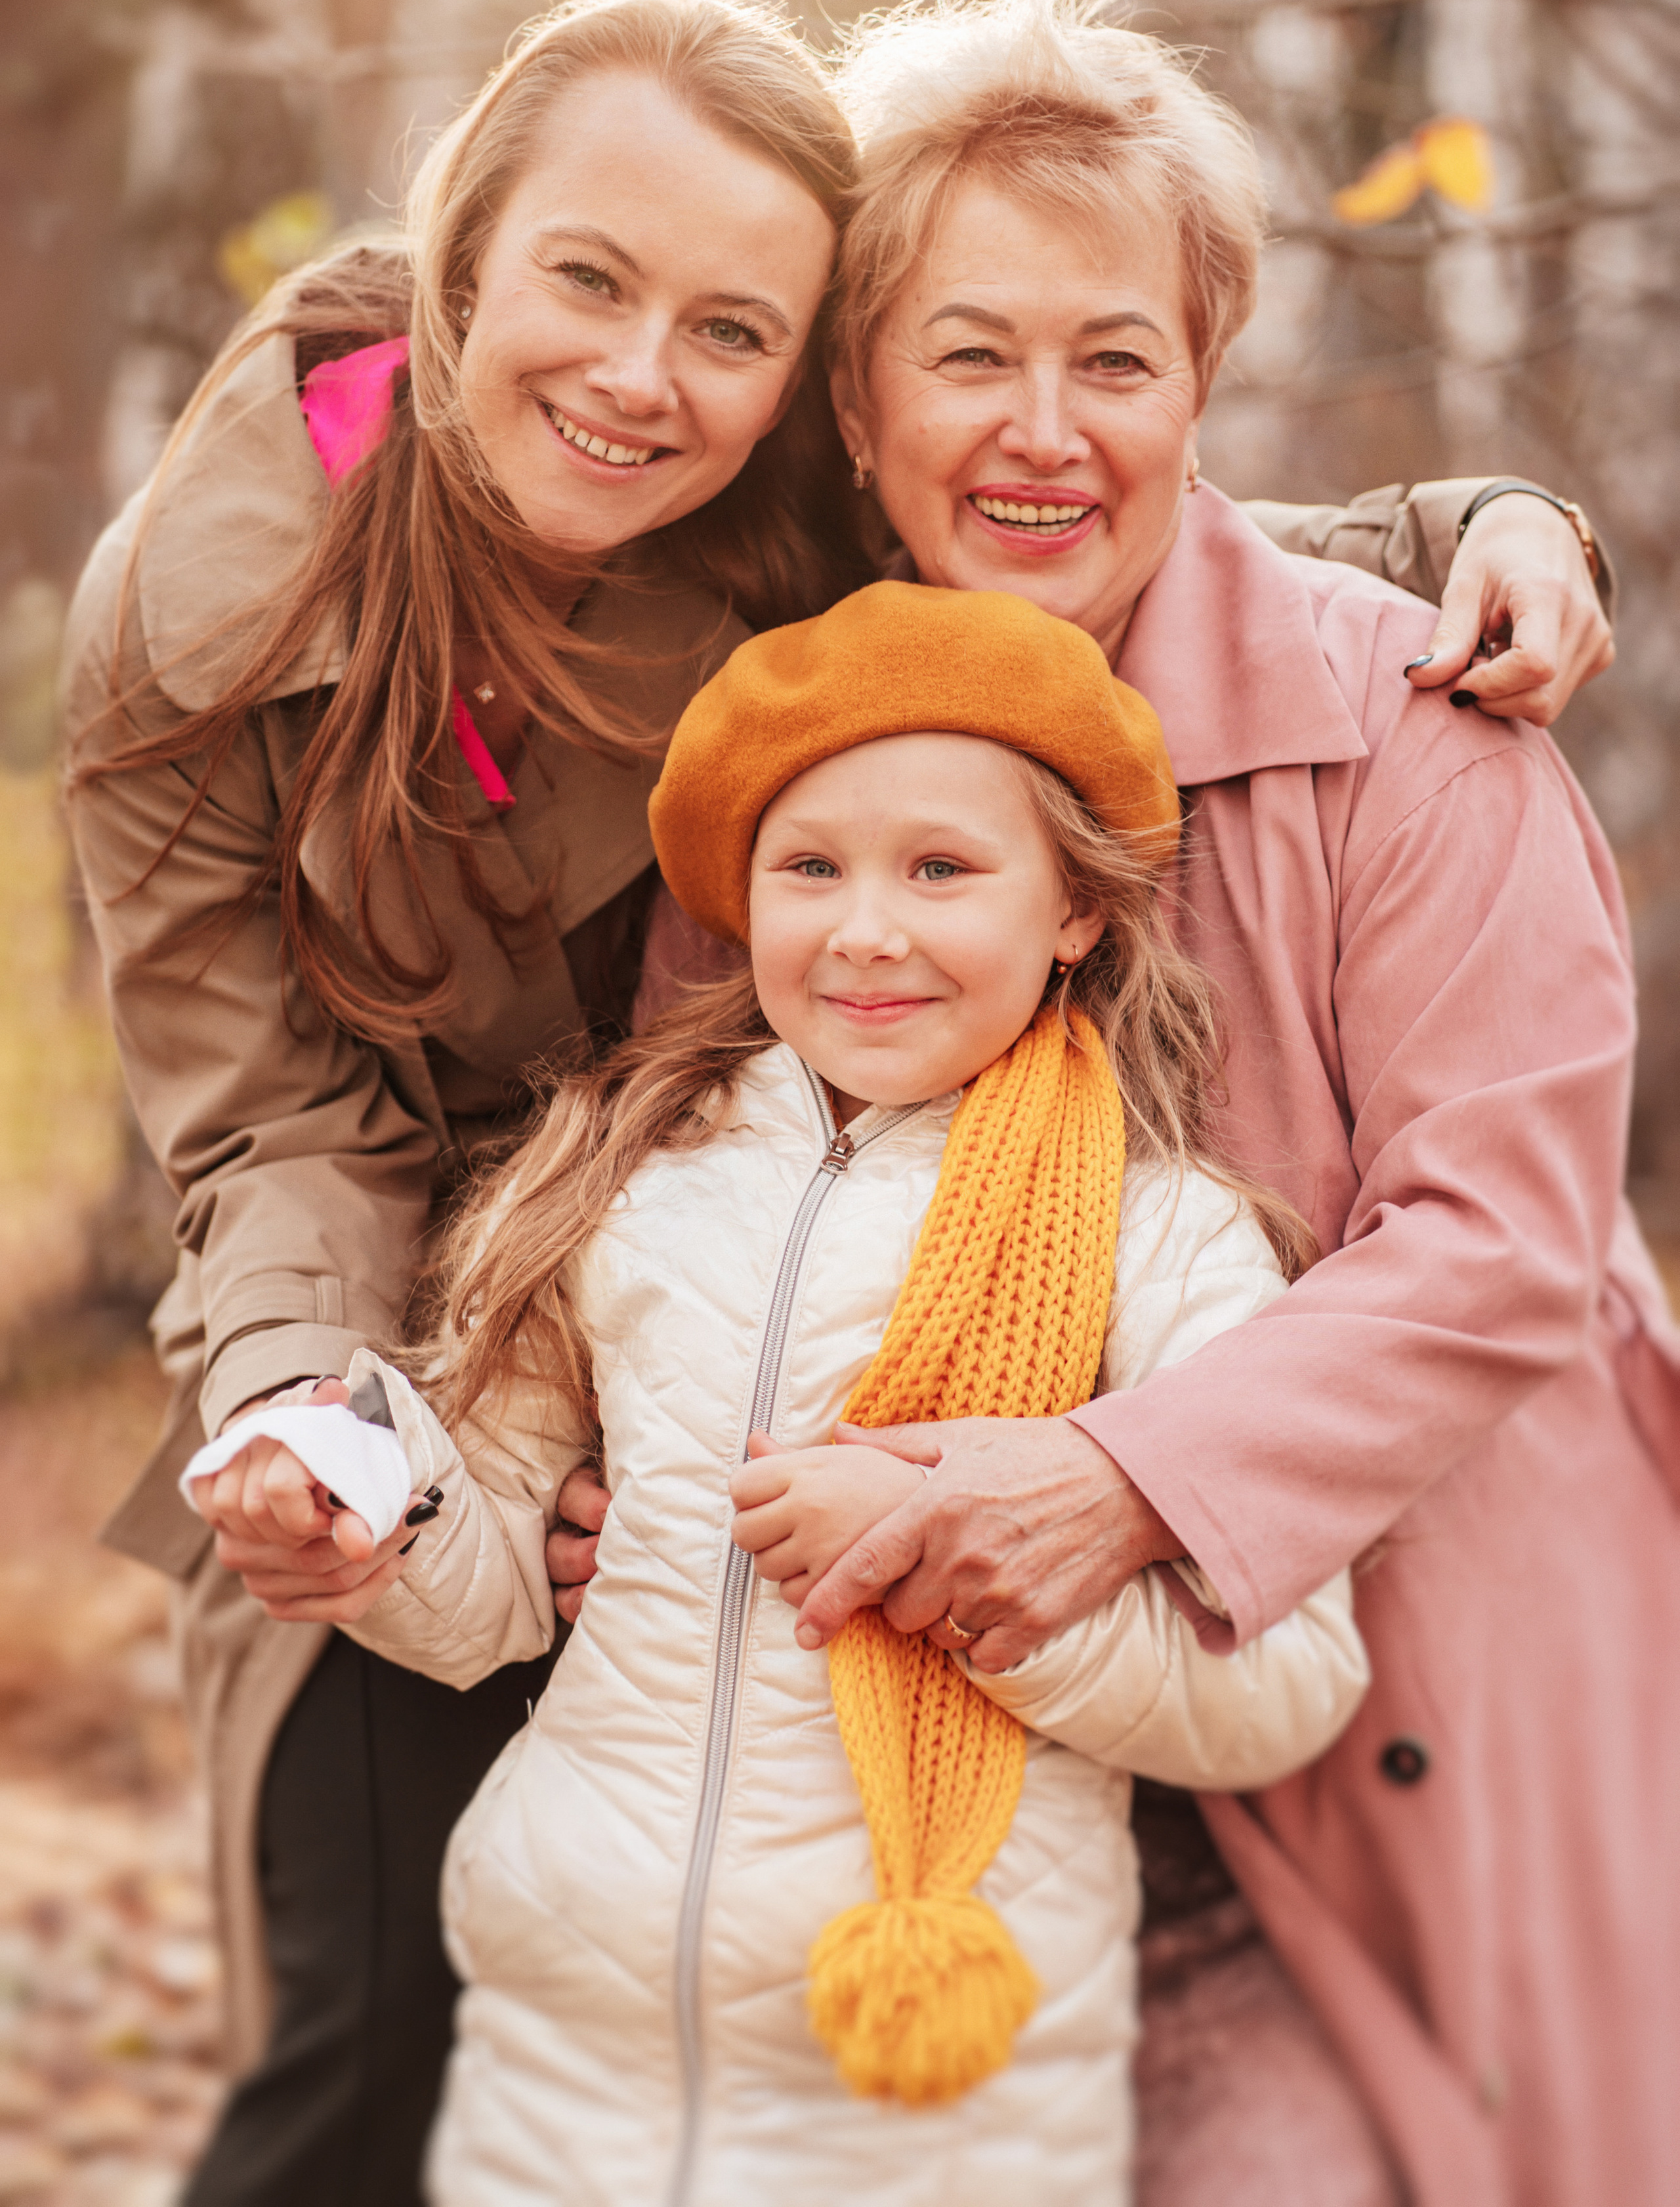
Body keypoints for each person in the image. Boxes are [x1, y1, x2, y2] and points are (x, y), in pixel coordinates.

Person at [64, 0, 1614, 2204]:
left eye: (726, 335)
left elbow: (1091, 488)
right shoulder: (195, 647)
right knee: (380, 1992)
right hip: (435, 1310)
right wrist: (357, 1420)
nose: (639, 376)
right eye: (581, 286)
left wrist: (1477, 522)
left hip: (982, 1363)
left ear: (803, 386)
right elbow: (271, 1126)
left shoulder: (799, 501)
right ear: (457, 251)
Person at [704, 0, 1678, 2206]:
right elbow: (710, 1169)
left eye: (1113, 358)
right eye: (971, 352)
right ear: (859, 402)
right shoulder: (796, 756)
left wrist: (1123, 1476)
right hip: (975, 1749)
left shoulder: (1415, 724)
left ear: (1202, 382)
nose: (1044, 428)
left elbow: (1504, 1232)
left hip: (1422, 1678)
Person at [188, 581, 1373, 2207]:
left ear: (1076, 911)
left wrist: (966, 1560)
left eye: (942, 871)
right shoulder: (625, 1172)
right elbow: (489, 1602)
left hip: (930, 2100)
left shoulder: (1159, 1240)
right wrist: (365, 1514)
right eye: (809, 867)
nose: (866, 929)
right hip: (564, 2055)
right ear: (741, 902)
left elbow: (1284, 1686)